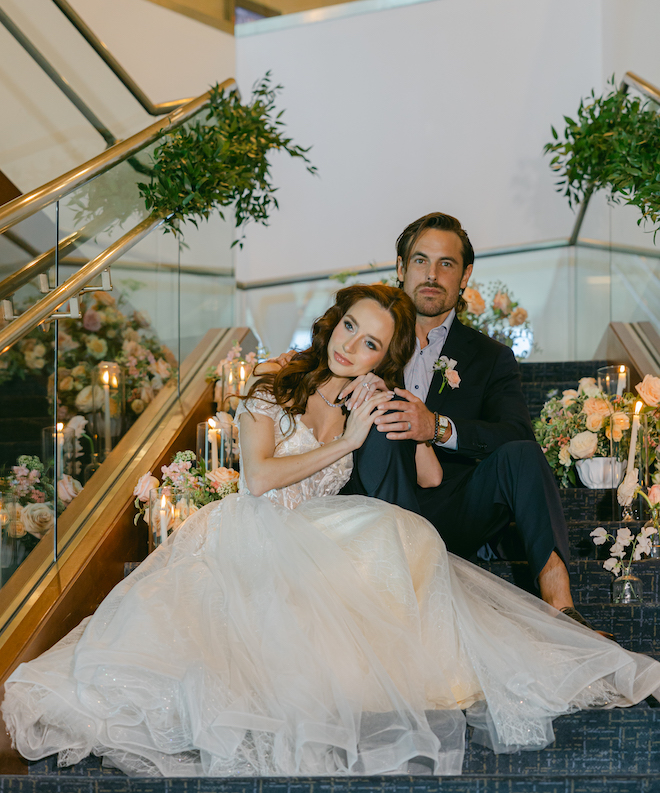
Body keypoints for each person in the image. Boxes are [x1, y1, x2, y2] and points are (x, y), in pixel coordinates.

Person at [3, 284, 659, 778]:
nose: (351, 345)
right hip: (255, 528)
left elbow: (427, 478)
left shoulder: (370, 393)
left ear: (384, 355)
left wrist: (413, 419)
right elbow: (258, 478)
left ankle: (434, 679)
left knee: (413, 536)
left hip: (322, 527)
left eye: (370, 342)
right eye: (349, 326)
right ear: (331, 321)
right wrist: (346, 437)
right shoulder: (270, 382)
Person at [338, 212, 594, 633]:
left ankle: (561, 608)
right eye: (420, 261)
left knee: (524, 454)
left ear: (465, 275)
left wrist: (437, 426)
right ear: (401, 268)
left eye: (447, 264)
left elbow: (514, 435)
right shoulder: (364, 342)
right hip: (373, 507)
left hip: (453, 511)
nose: (432, 275)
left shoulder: (492, 357)